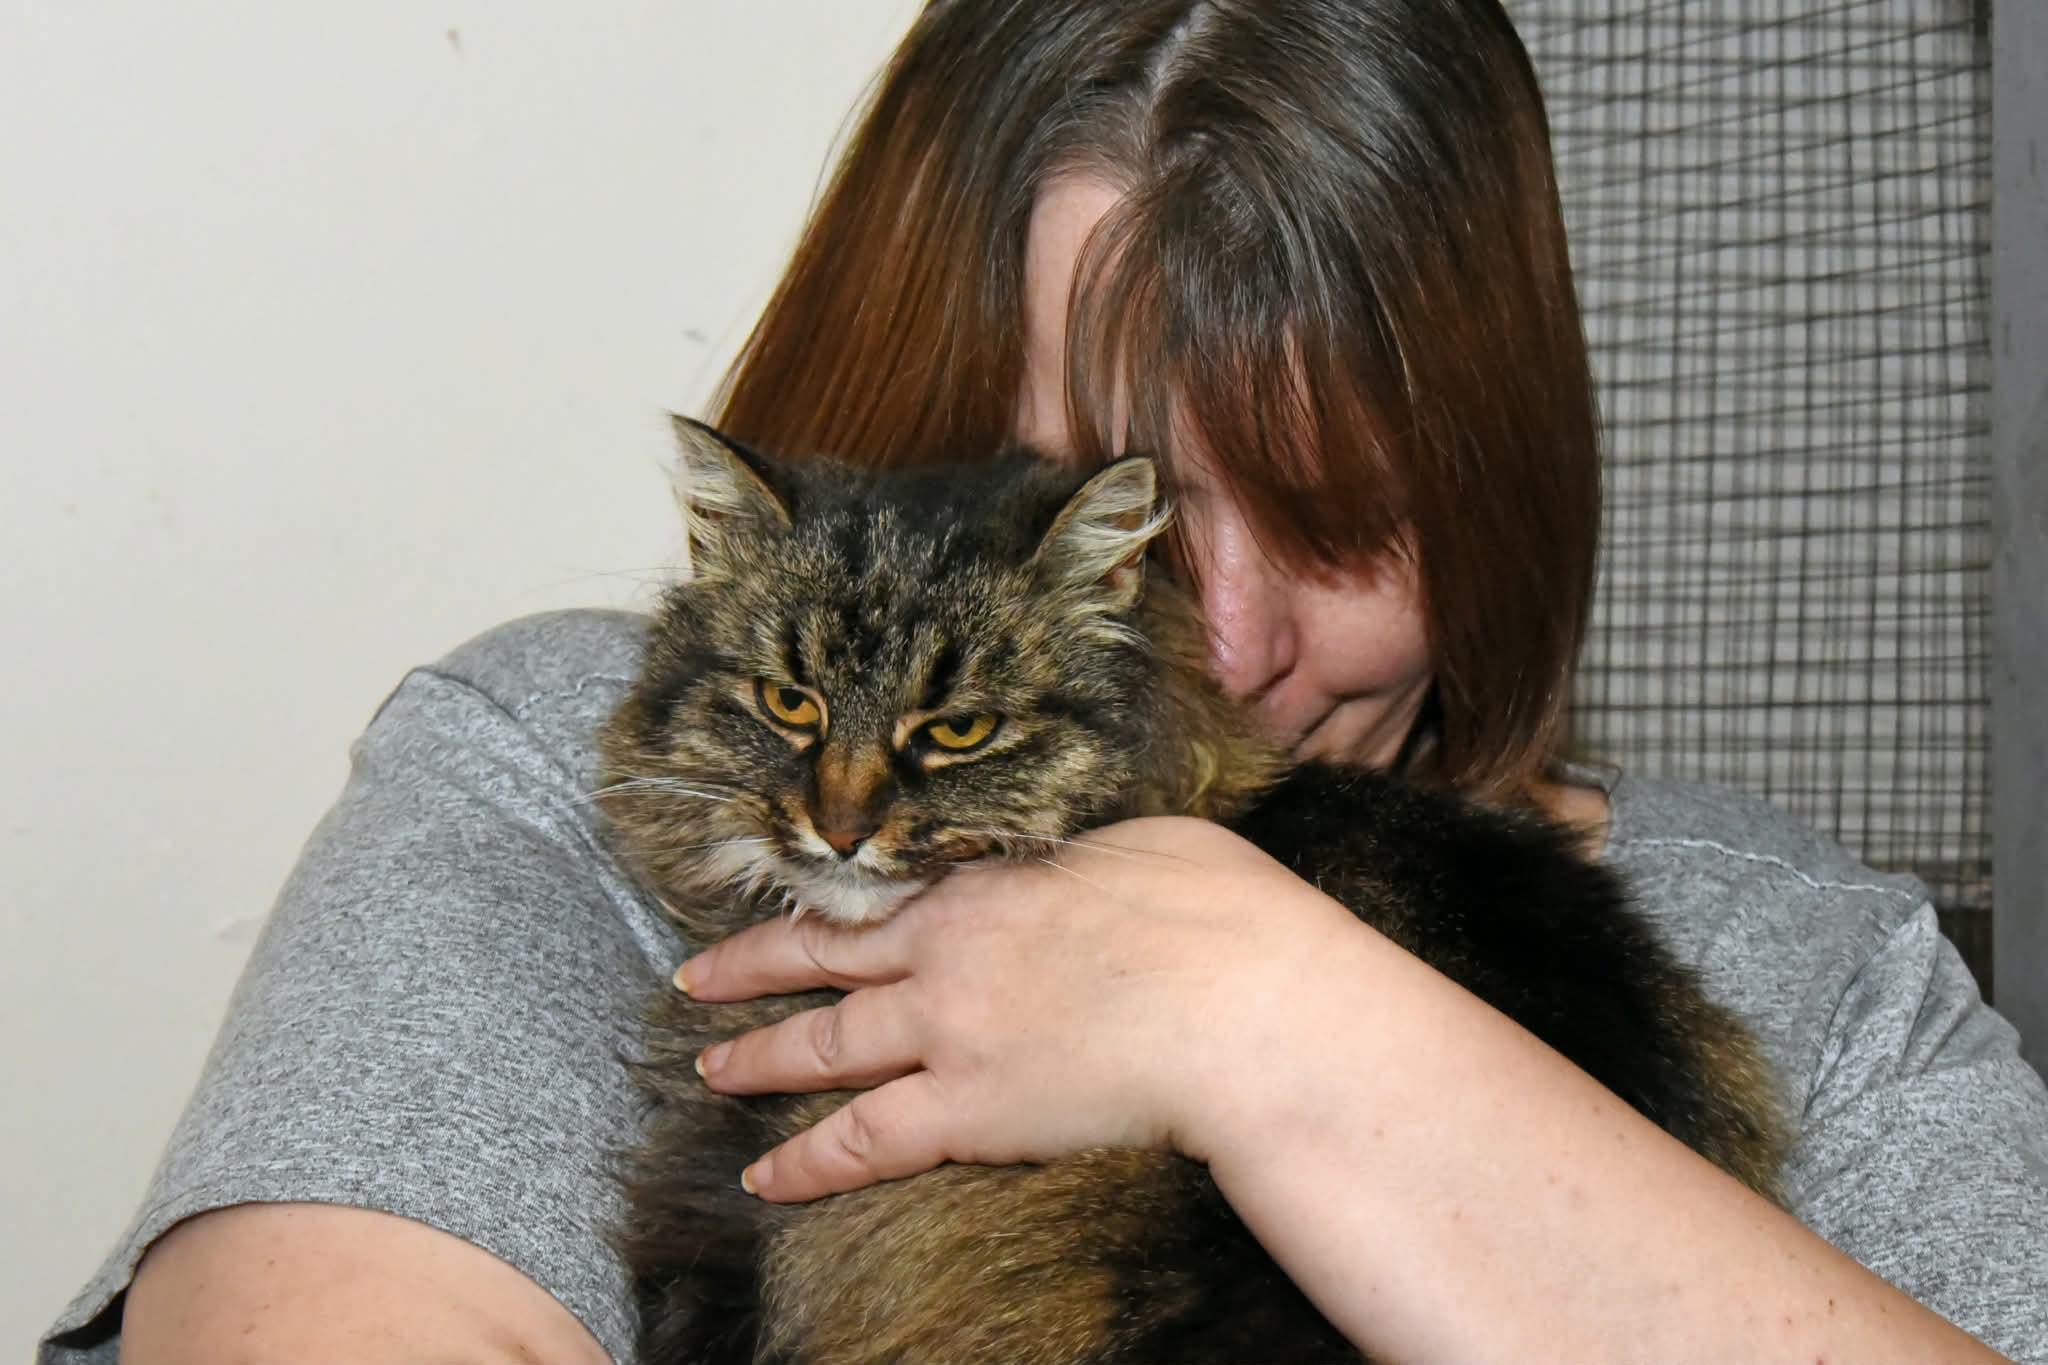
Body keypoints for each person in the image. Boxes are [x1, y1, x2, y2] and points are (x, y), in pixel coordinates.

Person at [42, 1, 2048, 1362]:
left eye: (1352, 523)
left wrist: (1283, 1024)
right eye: (1144, 539)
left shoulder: (1816, 963)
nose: (1243, 648)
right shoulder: (562, 787)